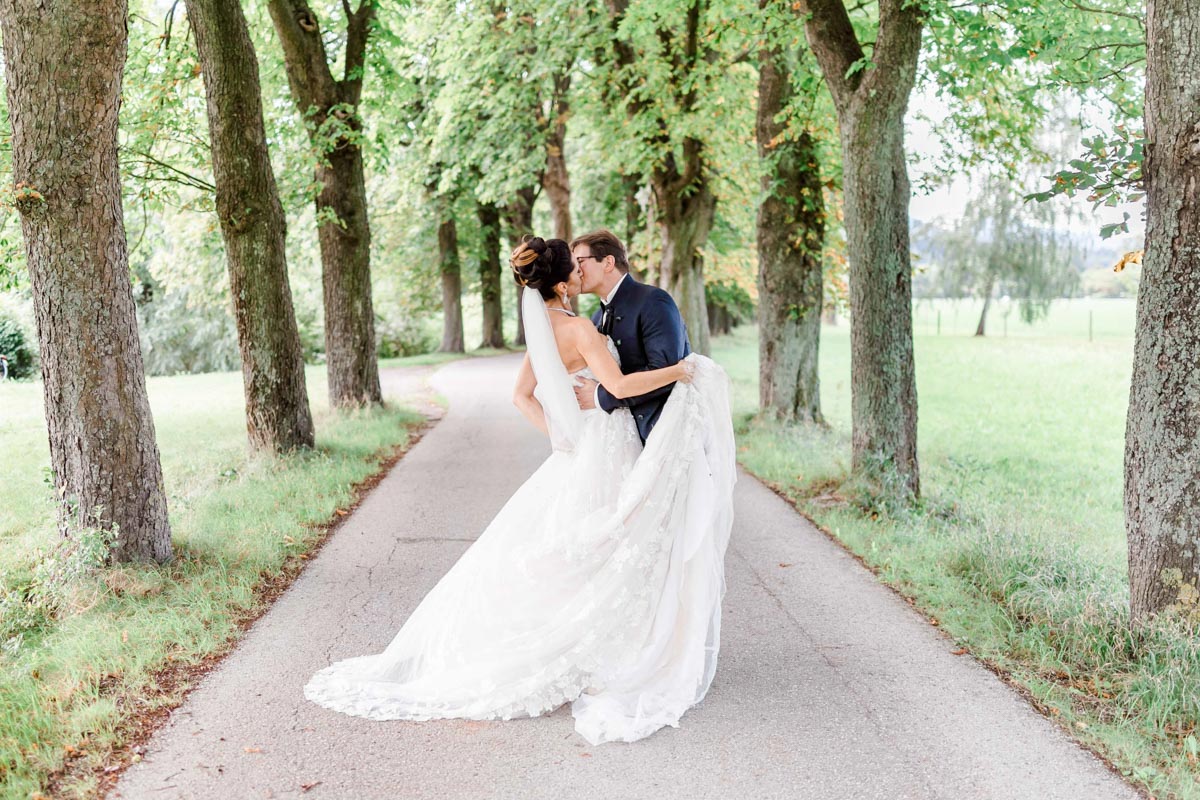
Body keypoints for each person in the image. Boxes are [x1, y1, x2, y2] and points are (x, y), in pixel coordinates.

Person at [305, 236, 735, 745]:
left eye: (582, 264)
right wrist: (687, 370)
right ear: (560, 282)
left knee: (590, 544)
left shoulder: (546, 332)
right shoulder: (579, 328)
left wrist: (563, 440)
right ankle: (604, 645)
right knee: (612, 544)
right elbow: (618, 389)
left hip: (584, 452)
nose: (578, 273)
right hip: (608, 446)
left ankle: (606, 638)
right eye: (571, 268)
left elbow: (520, 396)